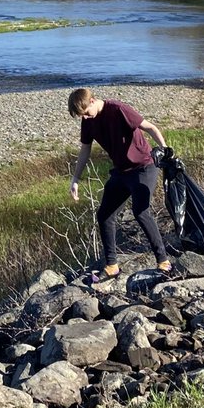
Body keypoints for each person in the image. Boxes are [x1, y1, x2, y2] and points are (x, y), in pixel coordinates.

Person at [68, 87, 172, 278]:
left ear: (92, 101)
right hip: (121, 172)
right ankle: (112, 266)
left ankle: (163, 261)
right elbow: (85, 150)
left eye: (86, 113)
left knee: (141, 212)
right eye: (82, 116)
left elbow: (150, 127)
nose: (86, 118)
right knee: (105, 215)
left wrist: (165, 150)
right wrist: (75, 179)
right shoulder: (87, 121)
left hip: (143, 167)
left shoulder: (118, 109)